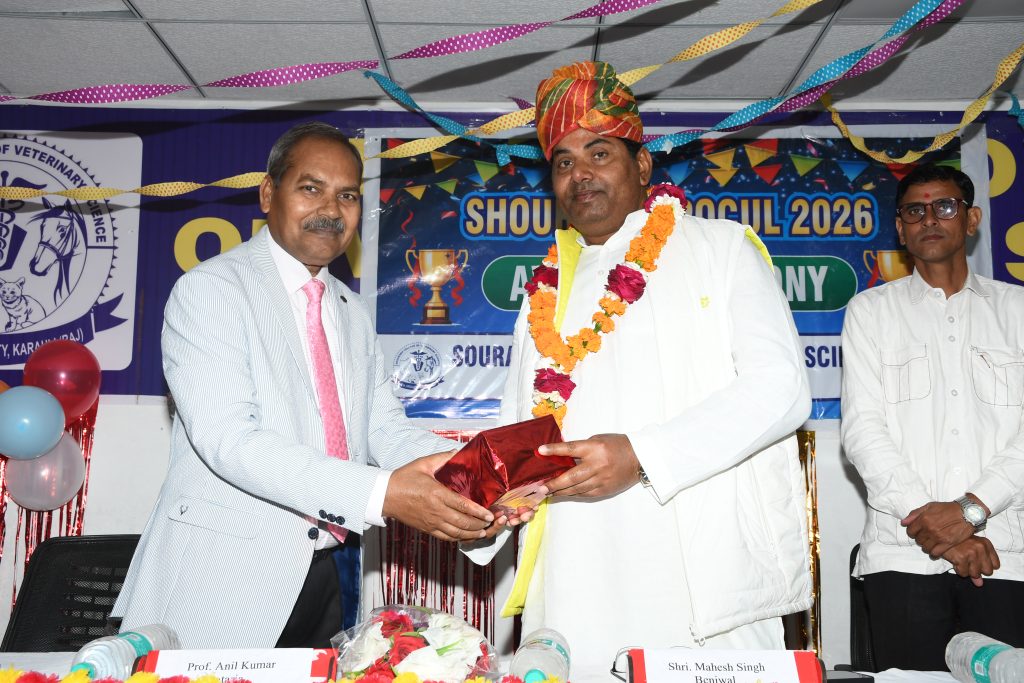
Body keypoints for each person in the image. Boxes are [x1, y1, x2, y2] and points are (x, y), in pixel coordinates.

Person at [475, 61, 813, 665]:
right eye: (563, 163)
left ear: (643, 166)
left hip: (699, 572)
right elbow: (515, 435)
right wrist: (475, 507)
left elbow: (781, 388)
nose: (580, 174)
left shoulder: (721, 249)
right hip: (574, 571)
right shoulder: (542, 293)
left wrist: (642, 455)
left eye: (599, 153)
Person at [111, 122, 498, 649]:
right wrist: (382, 494)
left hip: (332, 572)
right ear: (268, 194)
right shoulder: (211, 290)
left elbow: (383, 430)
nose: (331, 210)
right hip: (224, 578)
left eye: (347, 195)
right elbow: (229, 439)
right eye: (311, 188)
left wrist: (480, 479)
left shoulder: (352, 311)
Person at [841, 163, 1024, 671]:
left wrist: (970, 511)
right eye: (913, 211)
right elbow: (863, 433)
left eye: (944, 206)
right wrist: (939, 530)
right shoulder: (870, 312)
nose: (929, 219)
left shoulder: (1018, 311)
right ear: (900, 230)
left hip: (1006, 552)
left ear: (971, 219)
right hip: (903, 555)